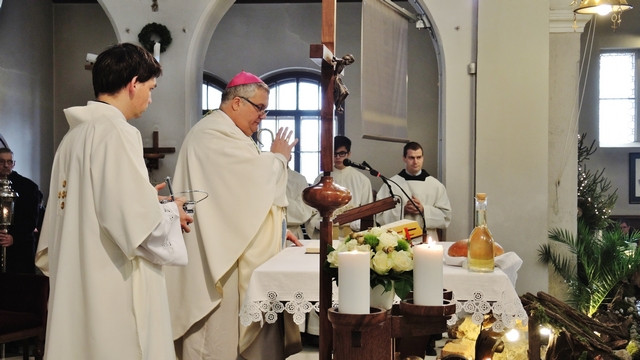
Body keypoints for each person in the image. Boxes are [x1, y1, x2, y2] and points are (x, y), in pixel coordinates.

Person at [35, 43, 193, 360]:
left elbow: (92, 211)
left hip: (77, 284)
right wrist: (171, 212)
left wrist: (150, 200)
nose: (150, 98)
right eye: (150, 88)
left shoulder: (71, 139)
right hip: (112, 286)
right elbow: (137, 227)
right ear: (134, 83)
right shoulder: (117, 132)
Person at [164, 71, 298, 360]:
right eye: (259, 108)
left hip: (227, 248)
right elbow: (250, 185)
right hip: (214, 258)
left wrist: (275, 230)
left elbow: (239, 202)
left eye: (266, 109)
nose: (263, 116)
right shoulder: (212, 134)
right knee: (213, 340)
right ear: (237, 102)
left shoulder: (231, 134)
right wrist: (279, 157)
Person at [376, 141, 451, 242]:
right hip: (398, 241)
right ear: (404, 158)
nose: (415, 162)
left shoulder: (436, 185)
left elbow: (446, 217)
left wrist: (424, 209)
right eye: (411, 158)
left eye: (419, 157)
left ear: (423, 158)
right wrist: (403, 210)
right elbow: (379, 216)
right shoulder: (391, 184)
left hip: (427, 241)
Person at [305, 135, 374, 239]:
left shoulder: (362, 180)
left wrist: (355, 222)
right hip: (328, 232)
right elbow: (312, 211)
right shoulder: (321, 179)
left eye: (342, 153)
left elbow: (368, 211)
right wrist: (320, 222)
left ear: (349, 154)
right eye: (334, 154)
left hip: (353, 234)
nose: (338, 157)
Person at [0, 148, 41, 274]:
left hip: (19, 251)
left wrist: (14, 237)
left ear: (14, 163)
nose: (6, 165)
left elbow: (31, 220)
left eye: (9, 161)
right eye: (1, 162)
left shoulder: (28, 187)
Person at [286, 166, 313, 239]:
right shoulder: (264, 176)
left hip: (293, 232)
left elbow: (303, 213)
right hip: (267, 232)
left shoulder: (299, 179)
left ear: (290, 157)